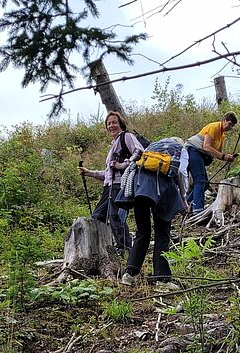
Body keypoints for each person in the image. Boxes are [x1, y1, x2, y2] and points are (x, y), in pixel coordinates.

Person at [117, 138, 189, 288]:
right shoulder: (180, 149)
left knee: (142, 231)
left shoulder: (152, 147)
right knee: (162, 233)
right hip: (161, 190)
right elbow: (181, 172)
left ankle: (129, 274)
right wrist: (183, 199)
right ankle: (162, 279)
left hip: (139, 188)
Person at [78, 111, 143, 255]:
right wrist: (89, 172)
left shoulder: (126, 137)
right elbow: (108, 174)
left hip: (121, 184)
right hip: (109, 186)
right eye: (108, 123)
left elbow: (139, 152)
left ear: (120, 124)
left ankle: (125, 249)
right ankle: (102, 248)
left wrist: (123, 165)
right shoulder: (114, 144)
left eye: (114, 122)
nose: (111, 125)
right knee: (98, 216)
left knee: (115, 216)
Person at [185, 112, 238, 214]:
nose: (230, 127)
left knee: (205, 184)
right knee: (200, 180)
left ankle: (185, 204)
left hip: (199, 154)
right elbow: (206, 146)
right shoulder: (214, 127)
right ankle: (198, 210)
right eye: (230, 124)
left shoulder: (221, 135)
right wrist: (223, 156)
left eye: (232, 126)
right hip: (193, 150)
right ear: (224, 120)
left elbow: (217, 152)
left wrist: (227, 157)